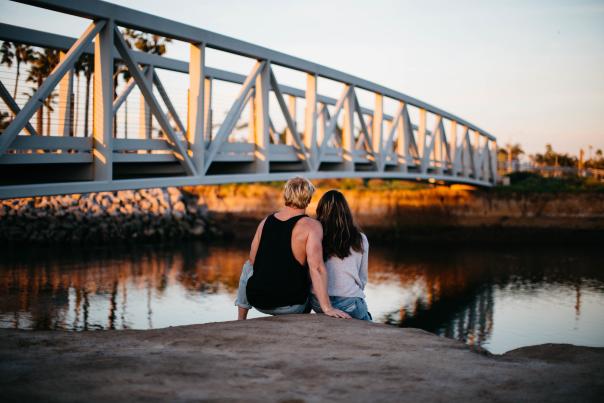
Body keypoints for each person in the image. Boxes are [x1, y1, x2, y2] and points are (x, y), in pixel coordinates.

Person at [235, 177, 350, 320]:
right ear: (308, 199)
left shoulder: (265, 221)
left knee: (248, 266)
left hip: (258, 301)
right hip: (292, 306)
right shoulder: (312, 226)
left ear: (286, 196)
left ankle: (241, 319)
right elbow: (317, 268)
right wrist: (328, 308)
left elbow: (253, 260)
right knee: (311, 269)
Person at [310, 190, 372, 321]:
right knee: (368, 322)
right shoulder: (360, 239)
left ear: (320, 210)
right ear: (346, 212)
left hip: (318, 302)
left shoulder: (315, 237)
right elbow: (363, 278)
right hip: (349, 302)